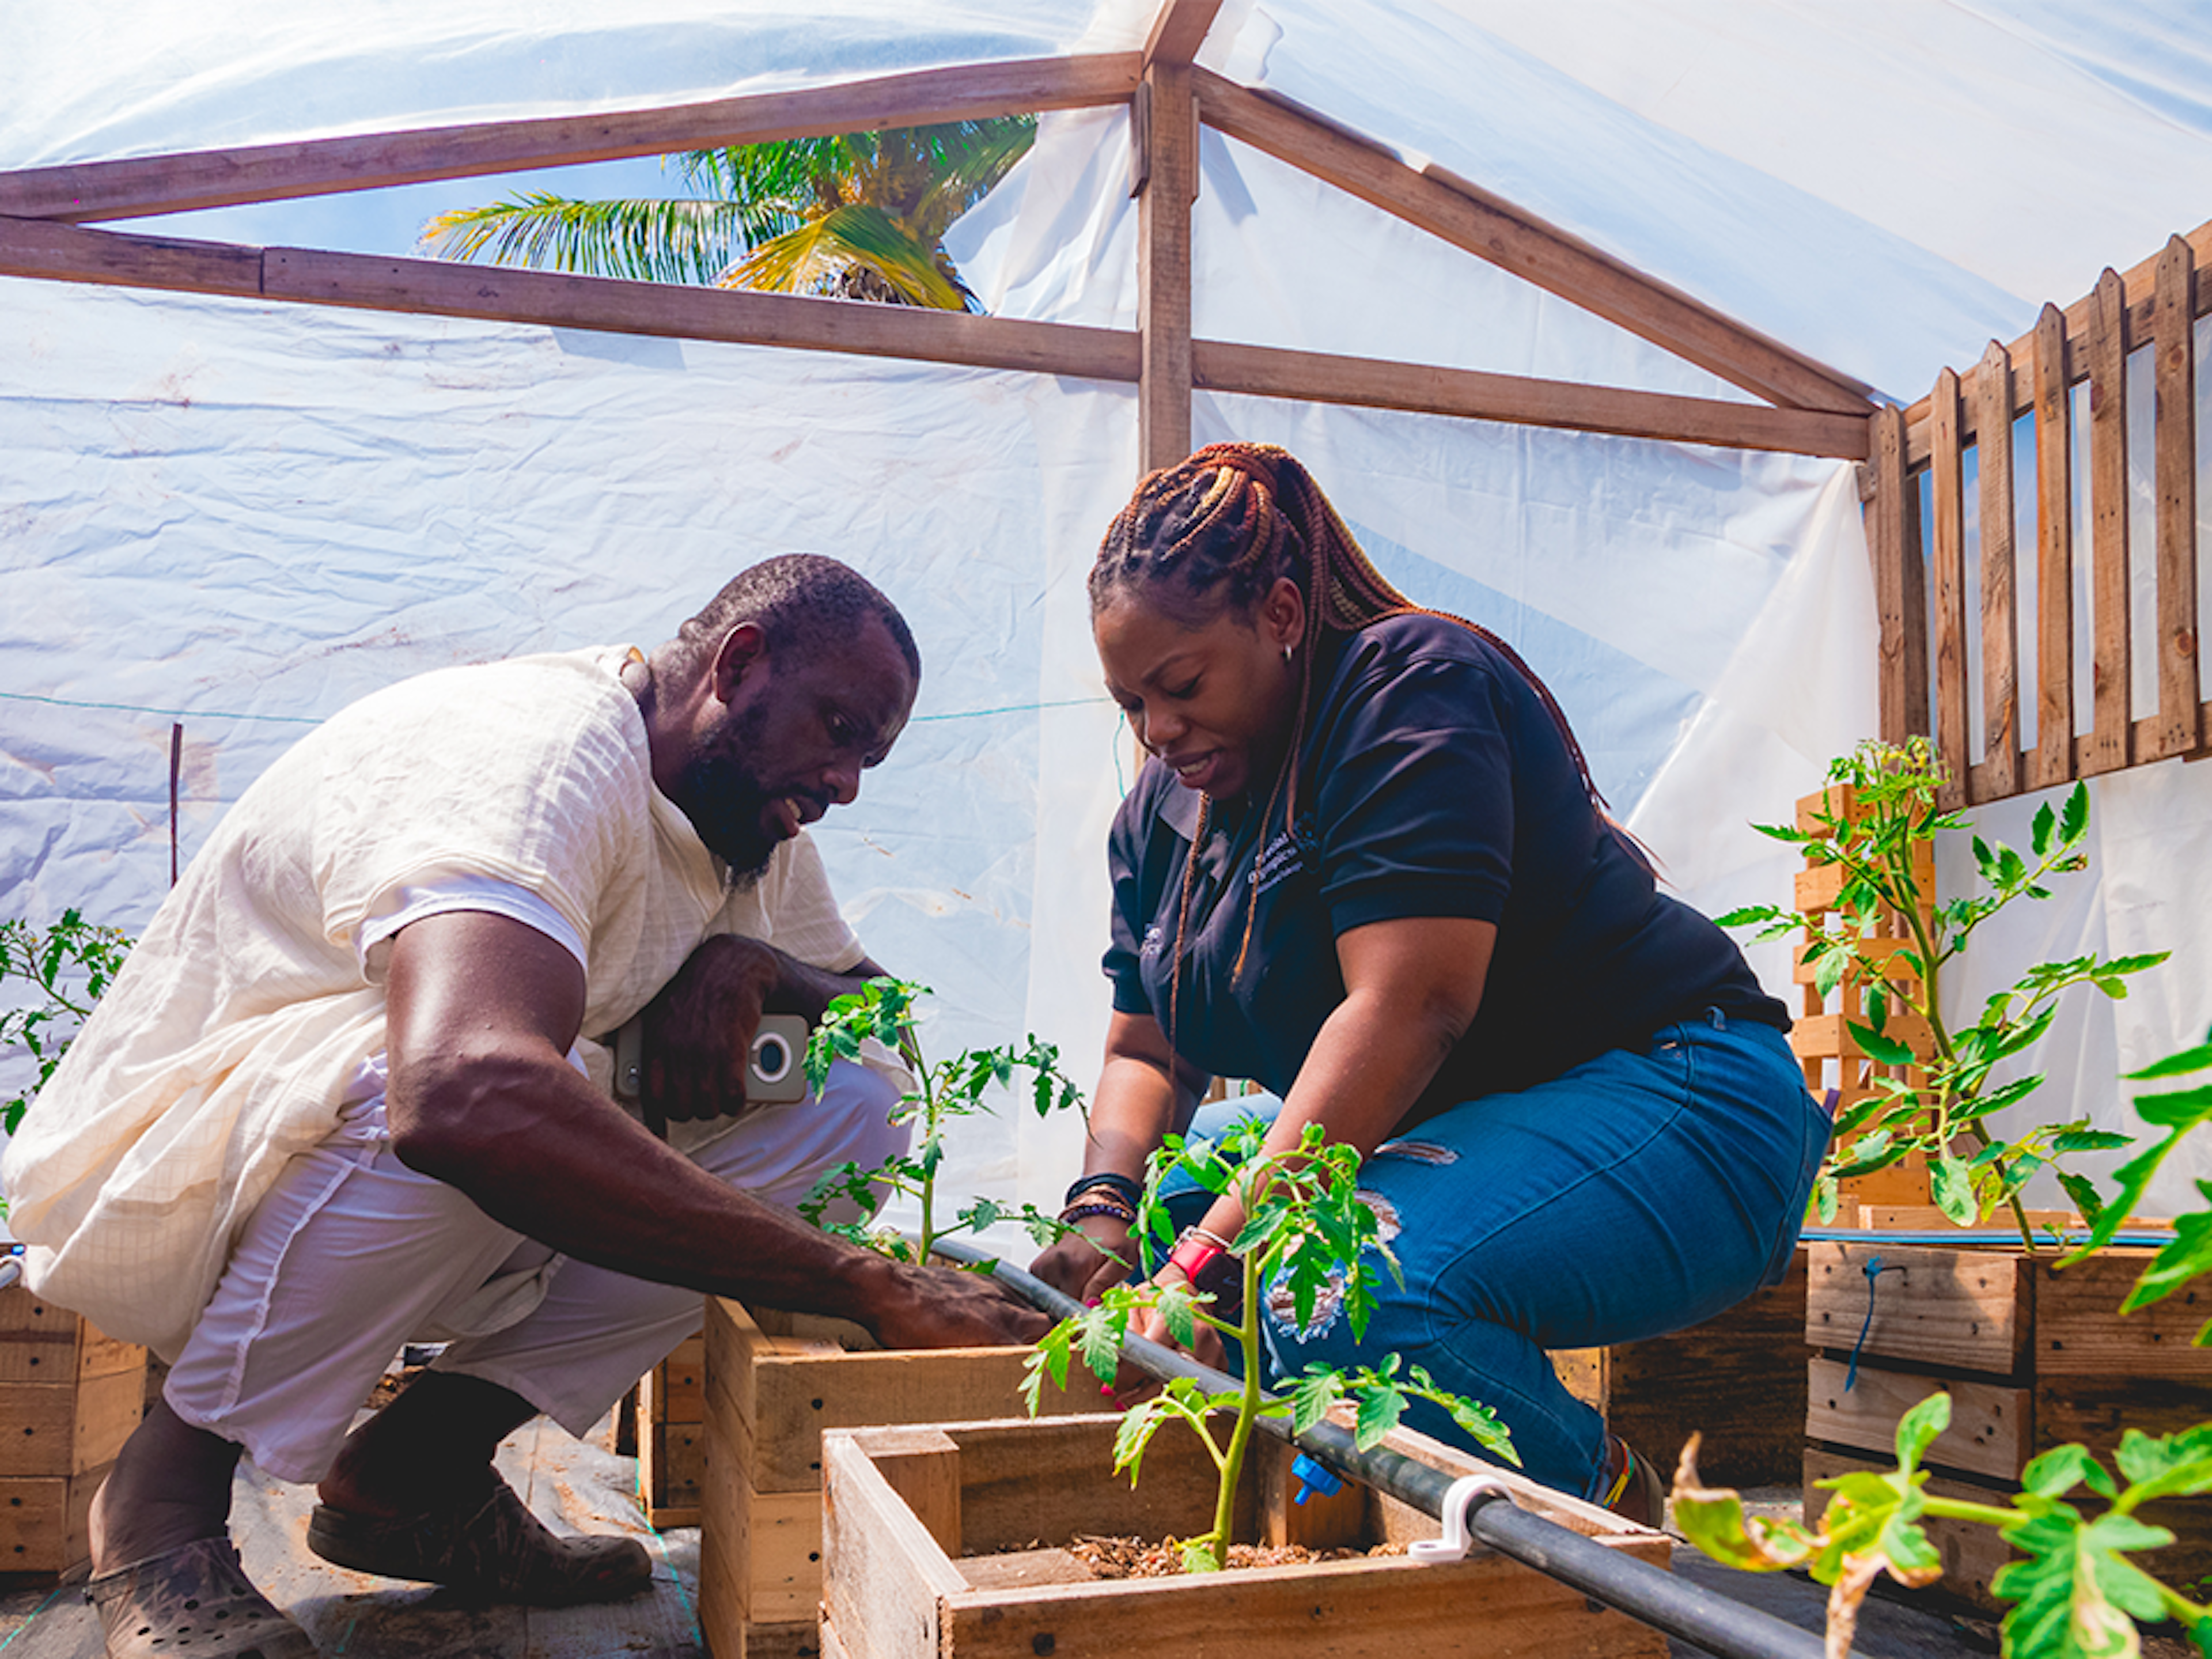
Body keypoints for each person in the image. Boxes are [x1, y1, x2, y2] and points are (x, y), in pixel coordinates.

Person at [1, 555, 1047, 1659]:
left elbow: (885, 1020)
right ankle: (157, 1517)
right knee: (495, 1090)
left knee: (850, 1102)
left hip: (401, 1200)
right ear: (738, 666)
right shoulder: (542, 757)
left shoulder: (748, 826)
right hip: (186, 1175)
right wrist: (859, 1280)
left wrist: (761, 966)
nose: (844, 784)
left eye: (867, 760)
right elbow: (458, 1093)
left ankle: (412, 1479)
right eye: (837, 730)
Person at [1031, 444, 1826, 1520]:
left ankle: (1606, 1499)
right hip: (1488, 1118)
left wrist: (1212, 1263)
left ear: (1278, 613)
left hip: (1685, 1101)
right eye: (1131, 704)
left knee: (1332, 1292)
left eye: (1181, 686)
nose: (1158, 732)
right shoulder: (1163, 817)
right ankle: (1302, 1504)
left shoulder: (1404, 690)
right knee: (1174, 1208)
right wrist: (1103, 1217)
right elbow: (1146, 1051)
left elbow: (1409, 1007)